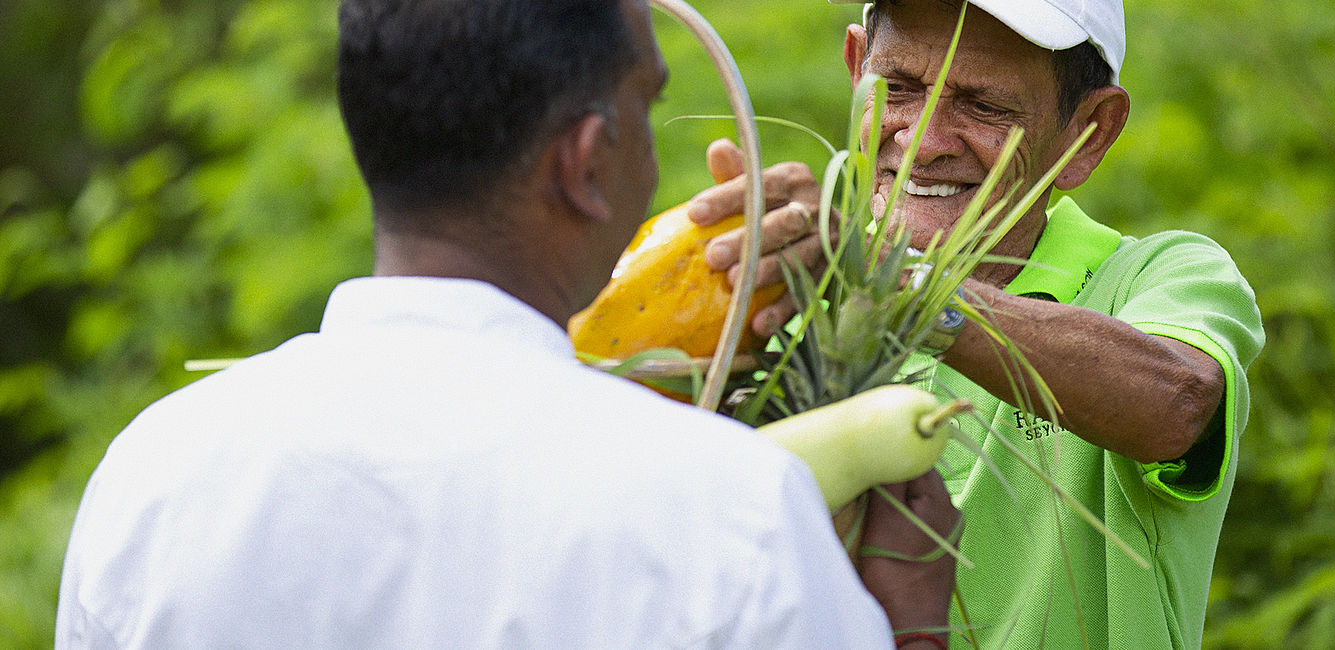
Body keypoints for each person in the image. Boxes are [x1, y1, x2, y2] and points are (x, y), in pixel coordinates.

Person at [54, 0, 959, 647]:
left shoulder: (151, 474)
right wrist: (908, 630)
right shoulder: (734, 513)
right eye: (645, 105)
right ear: (587, 160)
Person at [686, 0, 1266, 647]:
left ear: (1088, 133)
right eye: (897, 90)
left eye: (983, 106)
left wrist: (895, 277)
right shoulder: (778, 294)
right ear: (856, 71)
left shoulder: (1158, 278)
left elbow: (1175, 401)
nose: (923, 141)